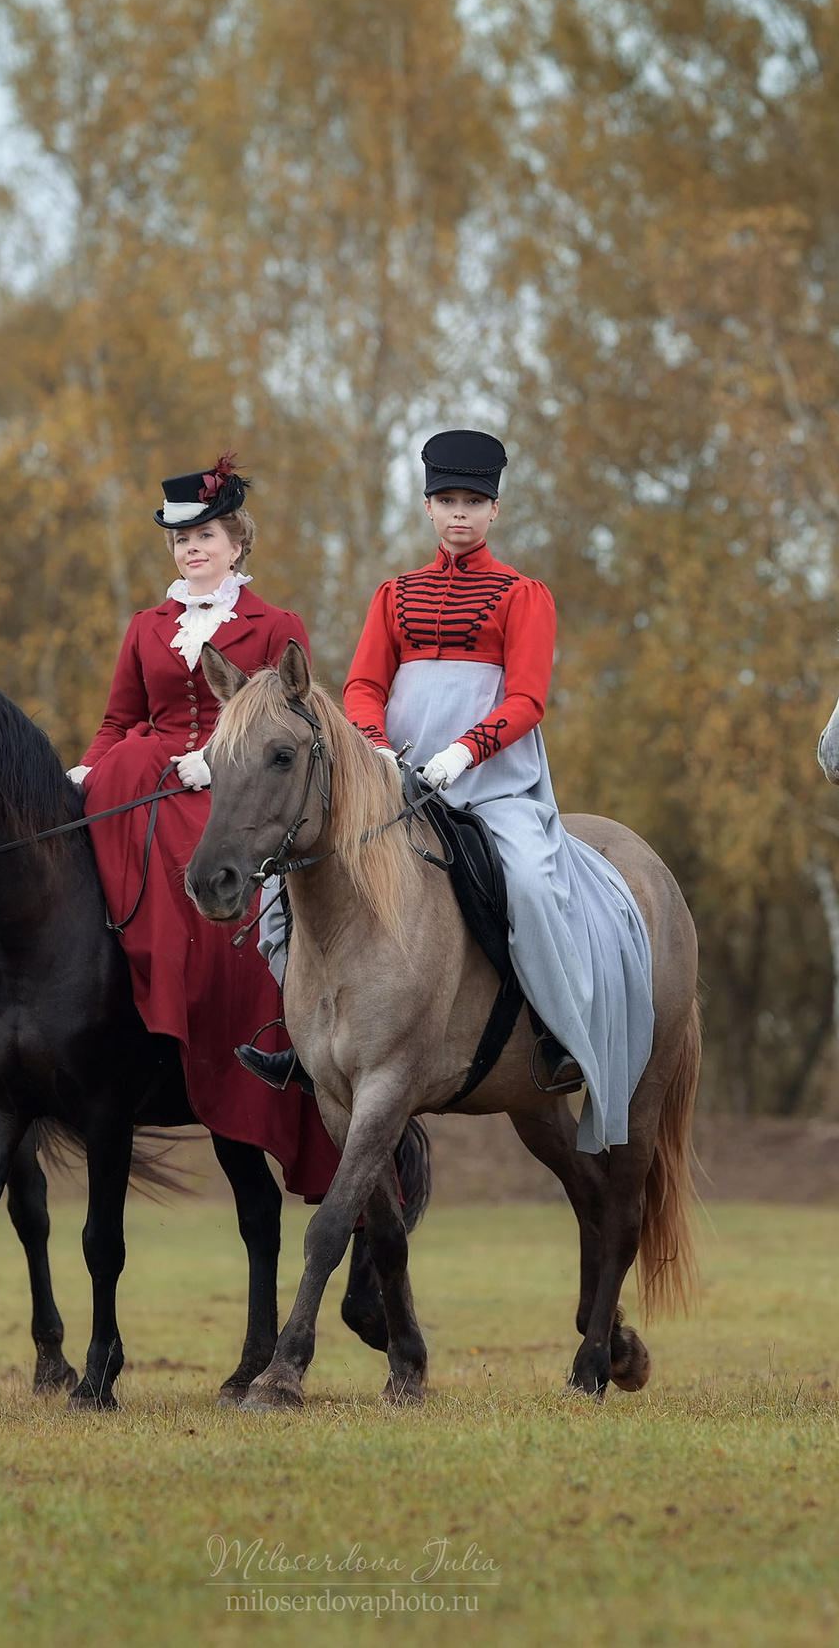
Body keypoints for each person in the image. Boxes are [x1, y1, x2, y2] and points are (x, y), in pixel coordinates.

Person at [323, 428, 655, 1154]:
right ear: (428, 507)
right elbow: (362, 683)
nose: (459, 514)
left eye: (473, 501)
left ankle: (562, 1033)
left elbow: (529, 697)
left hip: (495, 785)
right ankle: (306, 1042)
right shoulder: (394, 595)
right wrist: (374, 742)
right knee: (304, 880)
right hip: (399, 785)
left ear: (495, 510)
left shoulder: (522, 595)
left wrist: (464, 751)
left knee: (535, 883)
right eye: (447, 501)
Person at [66, 457, 339, 1199]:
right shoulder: (146, 626)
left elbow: (291, 730)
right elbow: (118, 721)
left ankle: (236, 1036)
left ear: (237, 541)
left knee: (219, 897)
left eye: (207, 534)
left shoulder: (276, 626)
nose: (193, 548)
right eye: (182, 538)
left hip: (232, 796)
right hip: (139, 780)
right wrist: (83, 774)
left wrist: (212, 767)